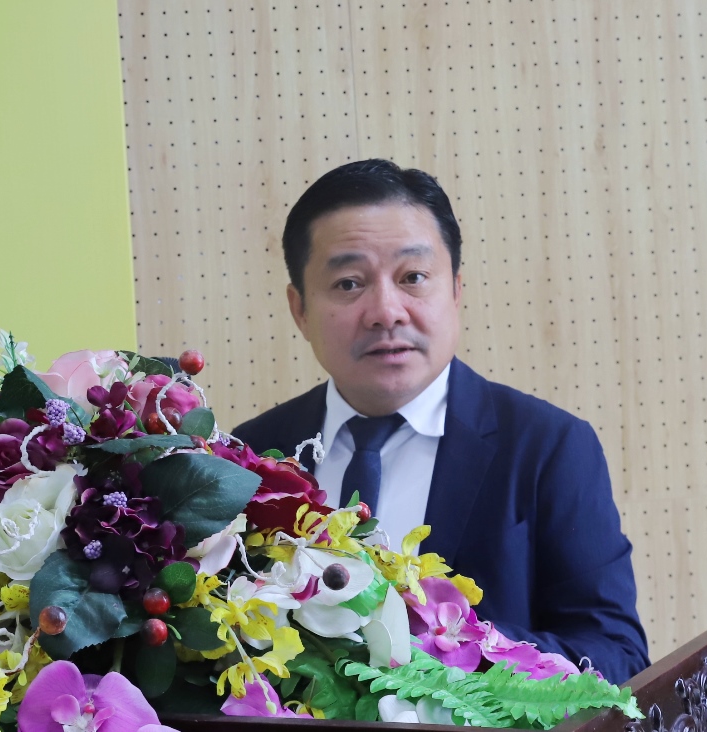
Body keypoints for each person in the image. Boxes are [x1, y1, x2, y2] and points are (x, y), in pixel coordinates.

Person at [233, 159, 650, 684]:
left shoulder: (547, 447)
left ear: (455, 289)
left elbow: (616, 655)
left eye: (413, 277)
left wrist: (450, 649)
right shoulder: (250, 456)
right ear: (300, 309)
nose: (386, 311)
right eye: (348, 283)